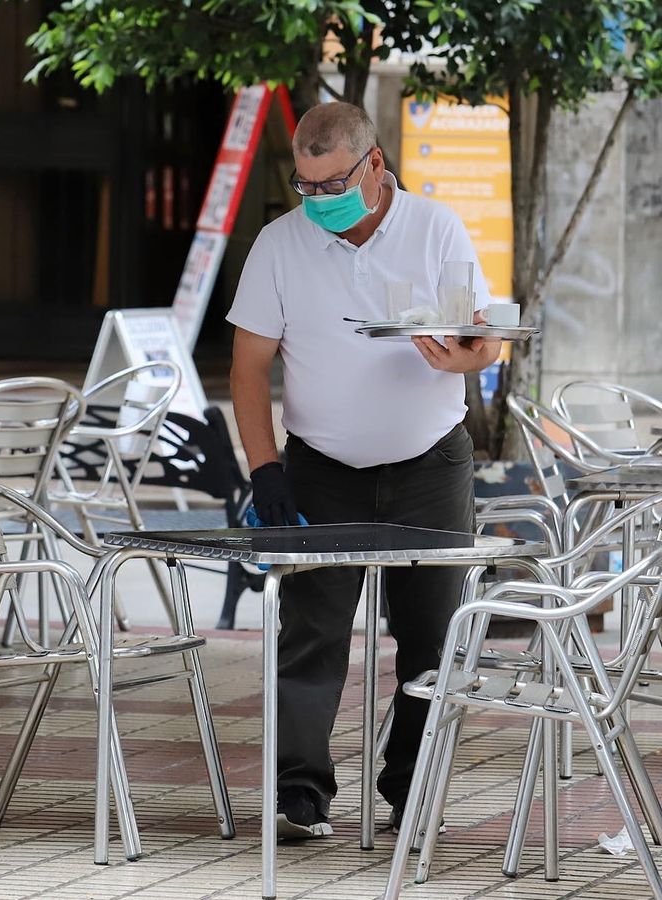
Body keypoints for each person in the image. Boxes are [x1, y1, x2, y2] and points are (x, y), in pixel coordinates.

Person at [226, 102, 501, 840]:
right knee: (312, 629)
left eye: (332, 184)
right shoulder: (280, 245)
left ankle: (412, 780)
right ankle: (300, 790)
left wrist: (462, 357)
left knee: (433, 633)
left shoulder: (434, 228)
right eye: (305, 186)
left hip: (430, 462)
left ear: (373, 165)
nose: (317, 201)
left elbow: (486, 344)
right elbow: (249, 370)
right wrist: (266, 469)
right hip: (322, 466)